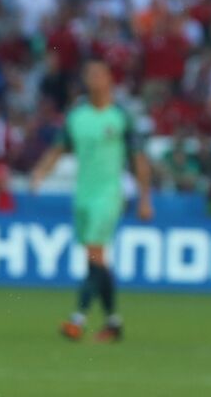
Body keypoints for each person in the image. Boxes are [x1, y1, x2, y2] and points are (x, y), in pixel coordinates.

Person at [30, 59, 153, 342]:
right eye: (89, 75)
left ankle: (78, 319)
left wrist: (146, 198)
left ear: (110, 79)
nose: (94, 79)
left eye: (99, 74)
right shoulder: (77, 116)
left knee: (95, 254)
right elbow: (58, 149)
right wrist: (40, 172)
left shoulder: (121, 116)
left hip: (110, 194)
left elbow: (139, 159)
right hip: (83, 195)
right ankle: (113, 322)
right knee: (95, 261)